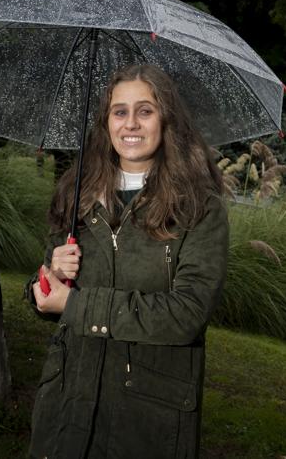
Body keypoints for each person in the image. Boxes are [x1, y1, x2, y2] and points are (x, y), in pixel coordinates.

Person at [26, 63, 228, 459]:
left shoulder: (199, 208)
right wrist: (47, 282)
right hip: (66, 406)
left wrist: (75, 304)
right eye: (120, 111)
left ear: (166, 119)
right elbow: (49, 296)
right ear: (106, 121)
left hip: (146, 419)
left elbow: (187, 314)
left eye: (145, 111)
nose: (130, 123)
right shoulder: (77, 193)